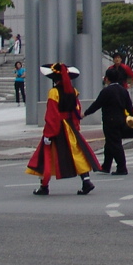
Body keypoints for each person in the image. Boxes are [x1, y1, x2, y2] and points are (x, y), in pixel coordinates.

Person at [26, 63, 100, 196]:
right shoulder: (74, 91)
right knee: (77, 153)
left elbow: (52, 115)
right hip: (70, 126)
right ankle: (86, 180)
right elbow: (77, 109)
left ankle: (44, 186)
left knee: (46, 155)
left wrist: (49, 133)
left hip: (57, 127)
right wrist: (75, 126)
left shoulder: (54, 92)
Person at [84, 64, 133, 174]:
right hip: (121, 119)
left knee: (115, 143)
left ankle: (122, 167)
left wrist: (85, 113)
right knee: (109, 143)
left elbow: (97, 104)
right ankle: (106, 166)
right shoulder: (123, 90)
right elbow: (129, 106)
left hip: (110, 120)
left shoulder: (106, 91)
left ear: (107, 79)